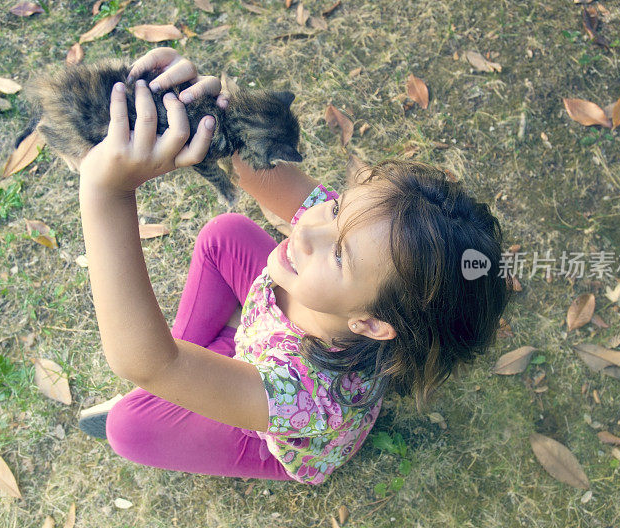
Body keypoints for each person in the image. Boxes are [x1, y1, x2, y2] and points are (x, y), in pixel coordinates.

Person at [75, 48, 510, 485]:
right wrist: (212, 116)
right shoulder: (356, 251)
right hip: (265, 346)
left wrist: (106, 193)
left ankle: (188, 378)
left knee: (128, 426)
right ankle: (191, 376)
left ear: (371, 323)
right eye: (339, 207)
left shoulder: (302, 391)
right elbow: (255, 168)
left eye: (340, 254)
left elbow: (145, 363)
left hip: (269, 428)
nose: (305, 230)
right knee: (226, 235)